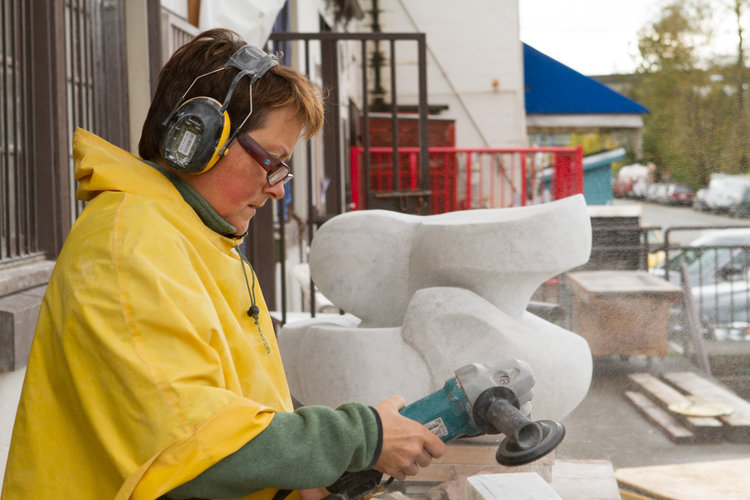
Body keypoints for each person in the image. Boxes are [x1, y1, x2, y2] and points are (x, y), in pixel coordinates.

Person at [1, 28, 444, 500]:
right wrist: (360, 437)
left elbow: (237, 407)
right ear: (196, 138)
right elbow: (194, 448)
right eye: (272, 161)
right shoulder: (129, 245)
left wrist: (307, 476)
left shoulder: (199, 241)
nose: (278, 188)